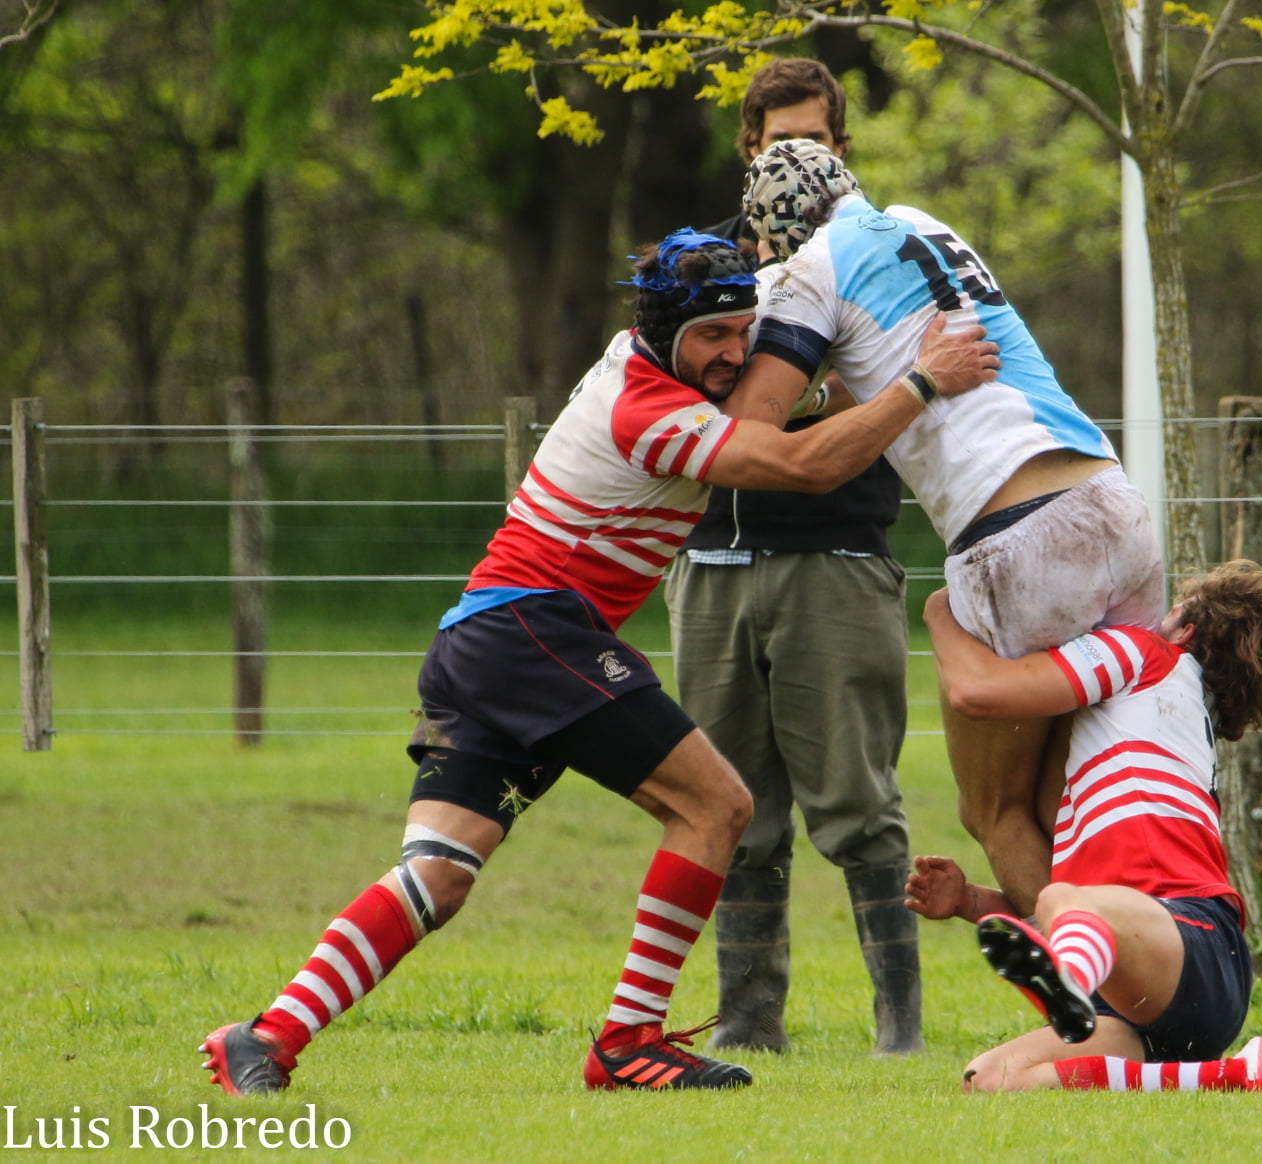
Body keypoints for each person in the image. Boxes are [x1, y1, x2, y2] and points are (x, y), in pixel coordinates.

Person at [197, 230, 998, 1096]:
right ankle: (628, 1040)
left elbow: (774, 403)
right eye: (713, 339)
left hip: (478, 643)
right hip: (535, 632)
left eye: (744, 331)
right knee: (719, 806)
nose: (735, 354)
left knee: (440, 874)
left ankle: (263, 1039)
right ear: (666, 335)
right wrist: (921, 381)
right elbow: (804, 465)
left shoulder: (644, 360)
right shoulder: (648, 413)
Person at [738, 140, 1166, 918]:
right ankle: (1163, 973)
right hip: (1114, 502)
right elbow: (875, 363)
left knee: (996, 815)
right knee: (1092, 799)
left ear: (780, 229)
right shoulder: (917, 221)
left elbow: (753, 422)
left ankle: (1108, 1008)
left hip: (1017, 537)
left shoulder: (807, 269)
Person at [666, 59, 922, 1057]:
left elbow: (895, 385)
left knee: (859, 805)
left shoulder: (883, 257)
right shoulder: (706, 270)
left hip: (838, 558)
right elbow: (678, 400)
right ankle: (746, 1021)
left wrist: (776, 408)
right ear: (748, 150)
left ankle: (897, 1025)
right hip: (712, 571)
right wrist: (807, 406)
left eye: (814, 143)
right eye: (779, 146)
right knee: (733, 811)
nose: (796, 162)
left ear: (844, 149)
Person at [904, 561, 1262, 1094]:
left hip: (1193, 942)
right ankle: (1238, 1073)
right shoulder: (1161, 730)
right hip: (1144, 1001)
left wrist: (937, 613)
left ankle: (1069, 981)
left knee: (1068, 898)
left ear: (1187, 630)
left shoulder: (1145, 653)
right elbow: (1086, 921)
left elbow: (979, 693)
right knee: (987, 1080)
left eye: (1171, 609)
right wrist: (971, 901)